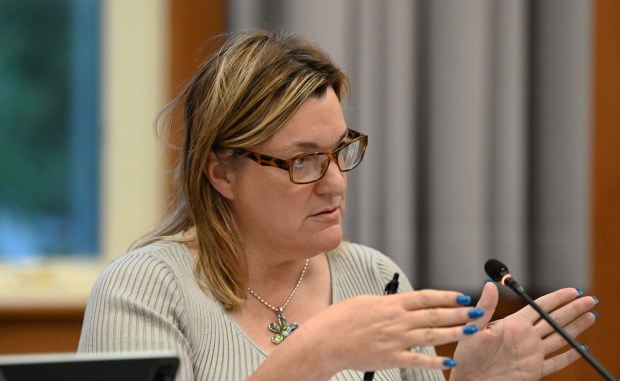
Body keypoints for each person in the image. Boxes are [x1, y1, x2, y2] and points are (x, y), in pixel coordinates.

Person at [78, 29, 598, 381]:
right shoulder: (144, 289)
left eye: (338, 151)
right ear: (221, 173)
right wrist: (310, 356)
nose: (334, 183)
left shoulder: (376, 275)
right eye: (302, 162)